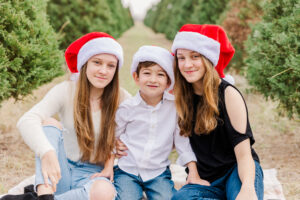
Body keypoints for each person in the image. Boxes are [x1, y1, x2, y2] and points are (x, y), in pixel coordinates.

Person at [2, 32, 131, 200]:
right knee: (49, 123)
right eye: (97, 62)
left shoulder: (122, 98)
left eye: (111, 65)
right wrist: (46, 152)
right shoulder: (67, 90)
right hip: (58, 170)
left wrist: (123, 142)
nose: (103, 71)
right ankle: (45, 193)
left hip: (92, 175)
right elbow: (26, 120)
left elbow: (145, 126)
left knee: (105, 192)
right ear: (85, 63)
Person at [169, 24, 264, 200]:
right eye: (181, 58)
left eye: (195, 56)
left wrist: (248, 187)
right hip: (207, 180)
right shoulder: (180, 96)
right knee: (179, 198)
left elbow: (244, 155)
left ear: (207, 59)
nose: (187, 64)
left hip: (236, 172)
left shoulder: (228, 94)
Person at [112, 45, 201, 200]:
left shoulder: (174, 107)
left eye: (160, 75)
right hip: (127, 170)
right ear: (136, 77)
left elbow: (182, 141)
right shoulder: (127, 108)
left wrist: (193, 172)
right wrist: (114, 144)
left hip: (158, 172)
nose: (153, 79)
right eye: (147, 73)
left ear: (168, 82)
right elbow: (112, 135)